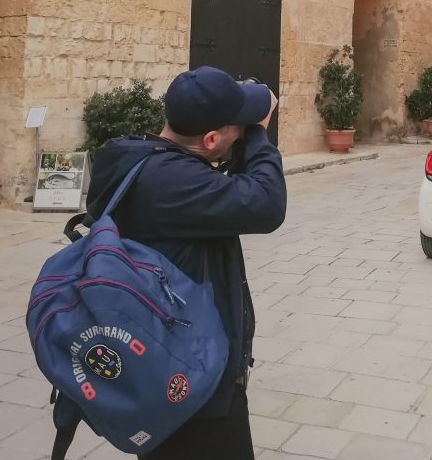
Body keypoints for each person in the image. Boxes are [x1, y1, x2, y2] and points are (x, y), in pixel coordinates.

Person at [86, 66, 286, 460]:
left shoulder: (144, 160)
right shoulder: (173, 182)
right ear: (210, 139)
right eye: (236, 127)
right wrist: (259, 134)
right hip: (192, 380)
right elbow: (267, 204)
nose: (243, 132)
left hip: (161, 364)